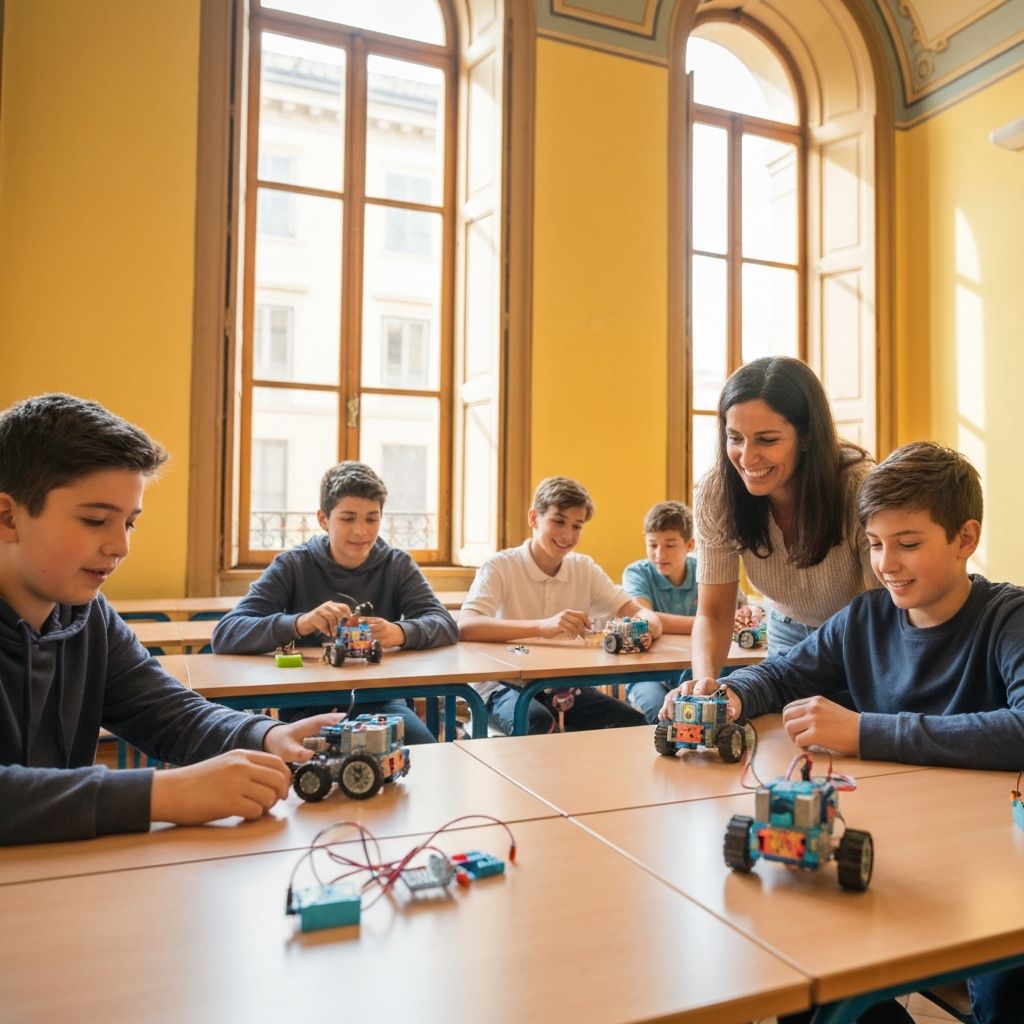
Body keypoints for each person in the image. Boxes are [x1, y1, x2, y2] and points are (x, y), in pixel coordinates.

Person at [682, 441, 1024, 1024]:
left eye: (908, 544)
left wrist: (866, 732)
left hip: (992, 869)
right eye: (874, 544)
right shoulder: (864, 619)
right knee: (798, 976)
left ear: (966, 539)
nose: (886, 563)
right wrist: (729, 693)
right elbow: (783, 673)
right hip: (893, 856)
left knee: (1004, 992)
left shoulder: (1007, 618)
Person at [0, 393, 338, 847]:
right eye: (95, 520)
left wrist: (267, 735)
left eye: (129, 523)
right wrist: (162, 794)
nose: (120, 546)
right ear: (7, 516)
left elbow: (169, 712)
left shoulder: (88, 615)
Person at [661, 356, 877, 711]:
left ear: (806, 437)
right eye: (735, 438)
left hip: (860, 634)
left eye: (767, 440)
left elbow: (882, 613)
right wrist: (703, 682)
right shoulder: (717, 493)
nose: (747, 457)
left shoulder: (857, 487)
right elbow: (714, 614)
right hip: (788, 631)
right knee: (782, 742)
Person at [211, 461, 457, 743]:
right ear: (323, 519)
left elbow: (444, 624)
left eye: (371, 519)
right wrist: (300, 623)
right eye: (348, 518)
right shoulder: (293, 564)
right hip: (304, 705)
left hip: (381, 701)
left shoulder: (396, 564)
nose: (361, 532)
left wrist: (399, 632)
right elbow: (226, 632)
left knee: (423, 750)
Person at [459, 476, 661, 734]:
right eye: (558, 521)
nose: (568, 534)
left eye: (577, 526)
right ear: (534, 518)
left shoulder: (584, 568)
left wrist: (650, 624)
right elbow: (466, 626)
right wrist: (543, 626)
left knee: (629, 723)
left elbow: (635, 610)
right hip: (501, 687)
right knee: (537, 723)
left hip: (562, 686)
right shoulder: (500, 566)